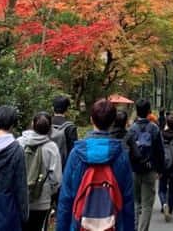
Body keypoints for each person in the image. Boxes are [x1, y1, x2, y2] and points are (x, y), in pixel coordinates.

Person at [56, 98, 134, 231]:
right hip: (113, 225)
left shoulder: (76, 154)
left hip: (80, 225)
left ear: (91, 119)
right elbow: (127, 201)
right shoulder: (121, 155)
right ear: (113, 121)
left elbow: (66, 199)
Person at [18, 111, 62, 231]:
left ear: (32, 124)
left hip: (20, 198)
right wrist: (49, 192)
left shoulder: (19, 143)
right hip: (41, 200)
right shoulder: (51, 147)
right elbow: (56, 179)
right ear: (49, 128)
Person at [127, 99, 165, 231]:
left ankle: (135, 227)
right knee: (147, 204)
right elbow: (160, 151)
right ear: (149, 111)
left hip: (134, 170)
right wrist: (160, 170)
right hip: (149, 170)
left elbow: (127, 151)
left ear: (137, 111)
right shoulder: (154, 128)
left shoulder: (131, 129)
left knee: (136, 203)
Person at [51, 95, 78, 168]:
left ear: (53, 108)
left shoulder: (46, 123)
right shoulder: (70, 127)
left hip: (47, 165)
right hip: (63, 168)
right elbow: (73, 151)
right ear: (67, 109)